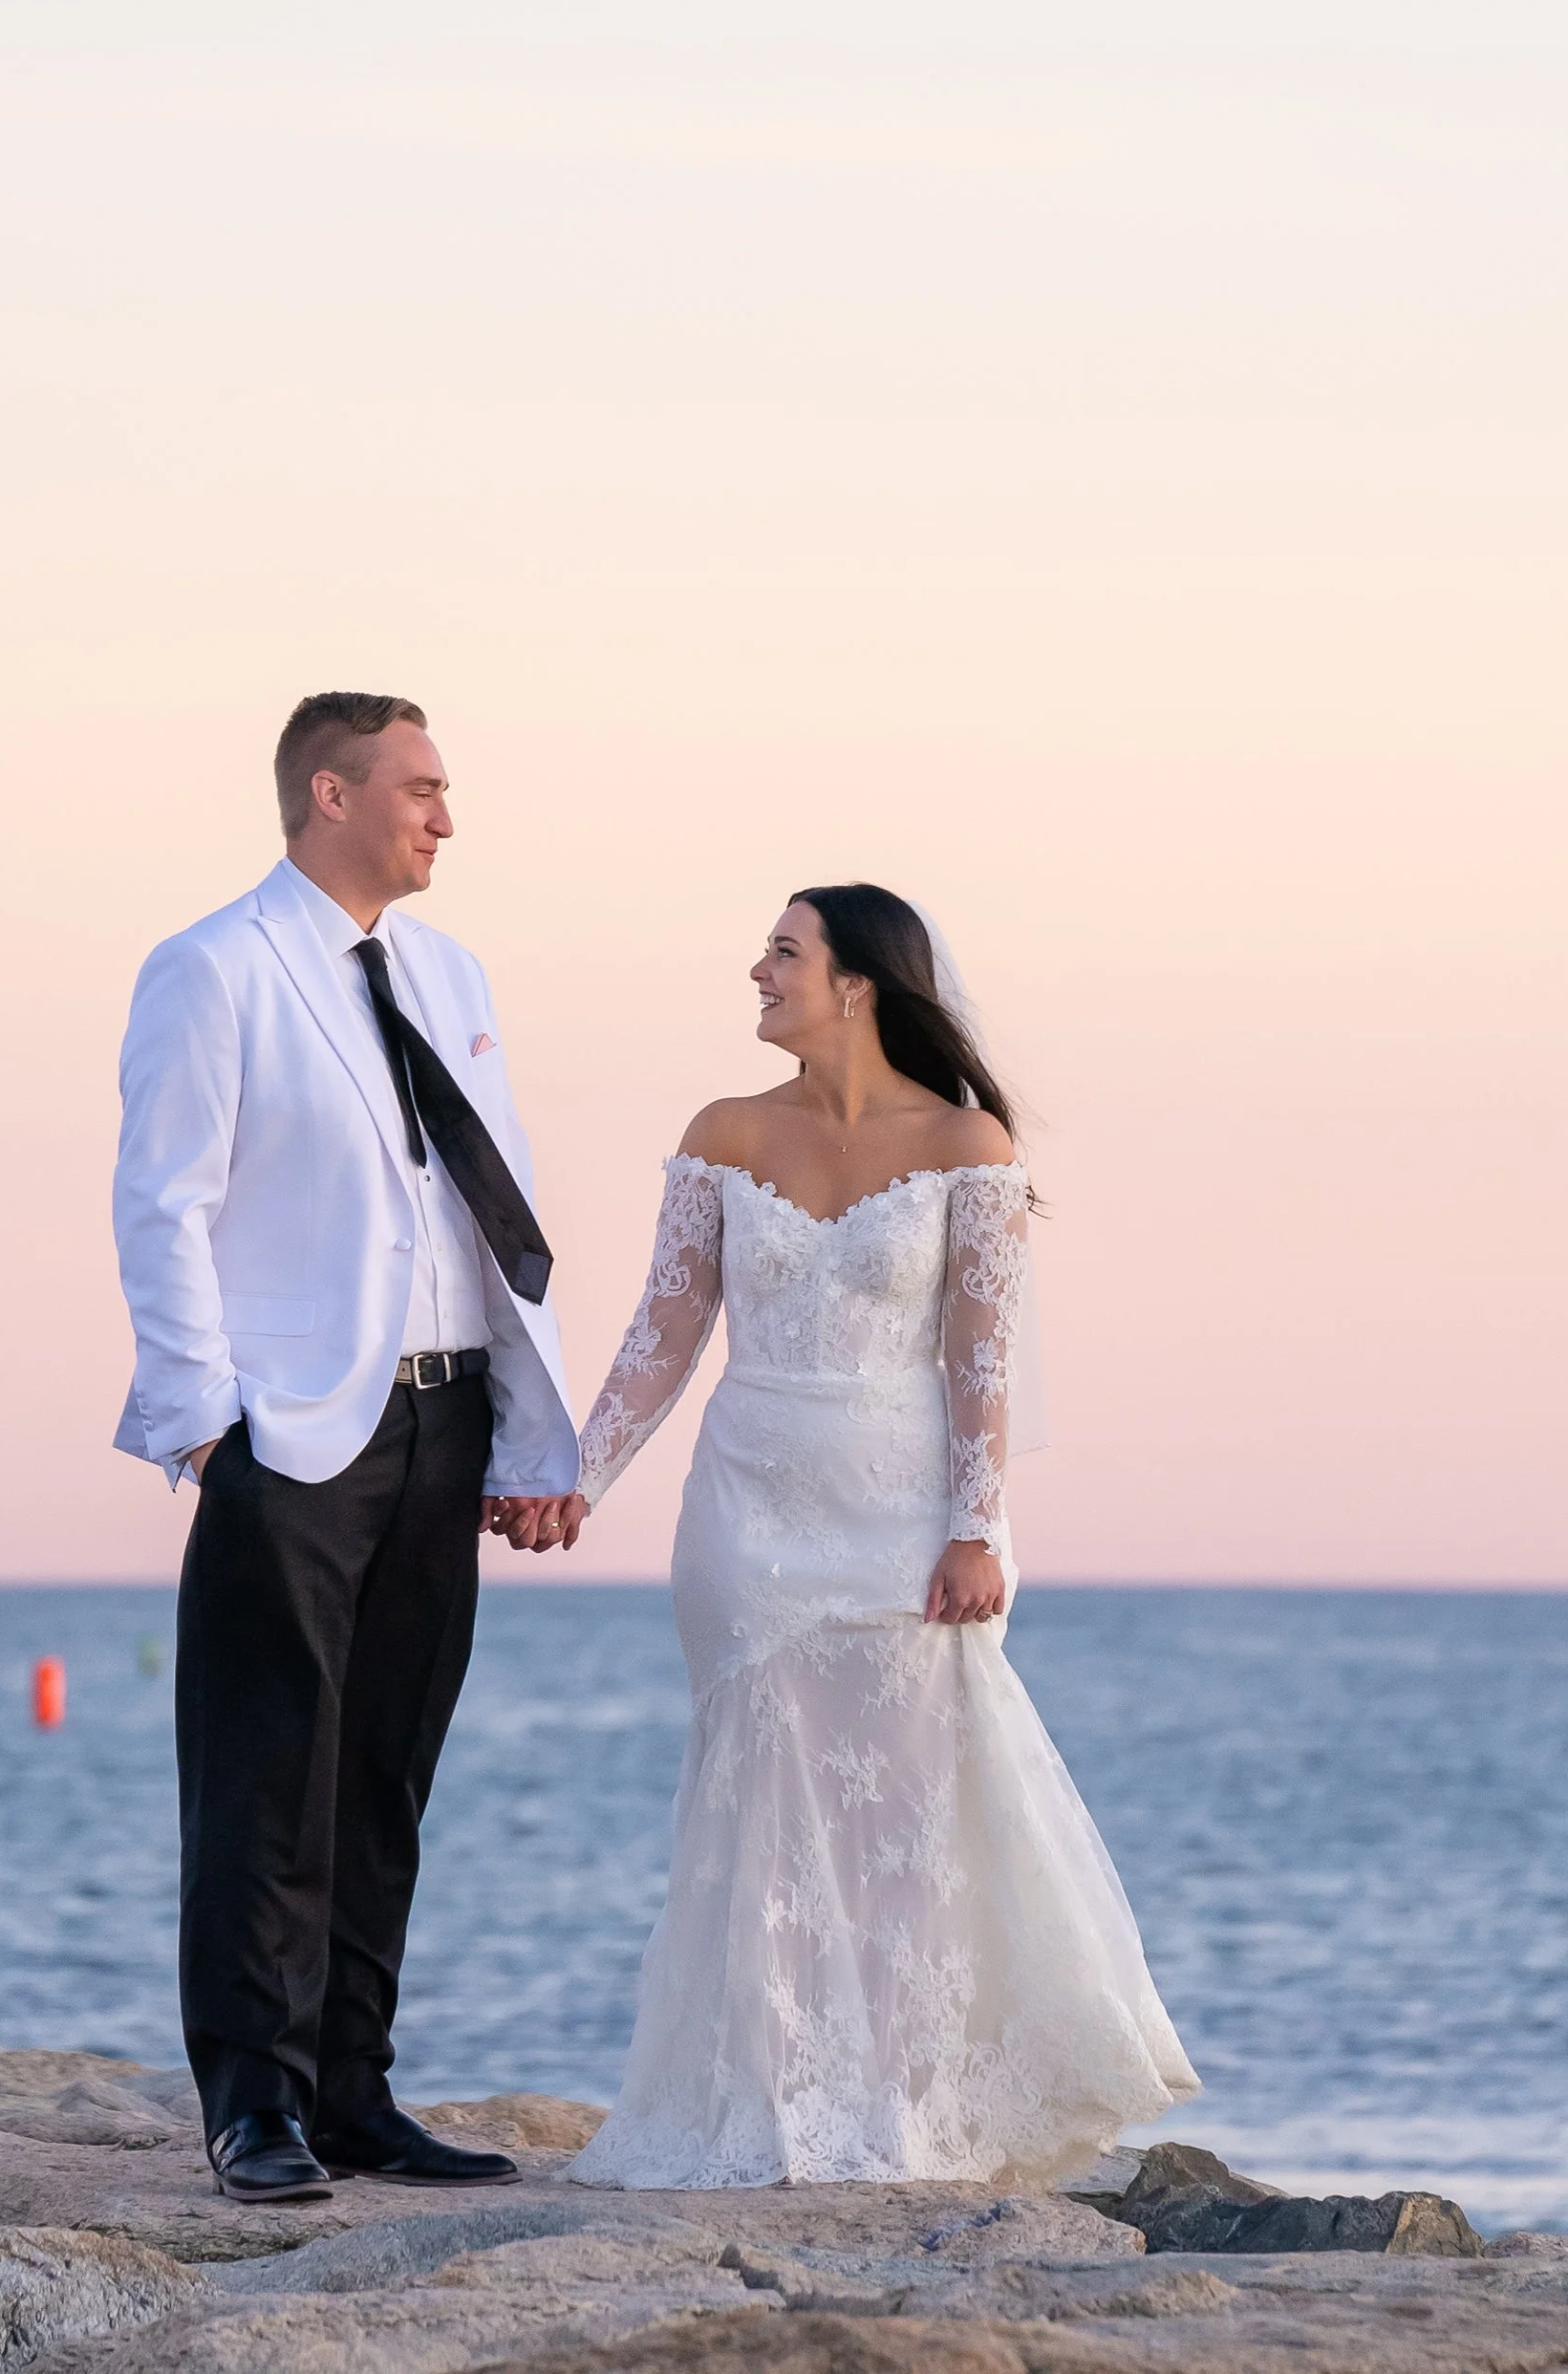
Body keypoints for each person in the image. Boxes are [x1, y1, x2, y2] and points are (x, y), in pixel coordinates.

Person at [499, 882, 1196, 2187]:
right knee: (760, 1796)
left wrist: (976, 1525)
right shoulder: (721, 1133)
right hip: (746, 1513)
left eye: (783, 951)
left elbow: (980, 1354)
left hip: (899, 1516)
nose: (756, 969)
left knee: (910, 1819)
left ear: (858, 983)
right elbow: (666, 1329)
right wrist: (575, 1474)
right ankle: (774, 2102)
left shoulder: (969, 1145)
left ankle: (905, 2105)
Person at [110, 693, 578, 2206]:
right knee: (264, 1771)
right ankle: (254, 2105)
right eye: (423, 786)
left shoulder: (451, 973)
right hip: (296, 1426)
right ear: (331, 791)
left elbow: (476, 1208)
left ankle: (356, 2089)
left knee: (384, 1767)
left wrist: (520, 1424)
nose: (447, 816)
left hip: (445, 1418)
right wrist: (204, 1424)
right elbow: (162, 1201)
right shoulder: (213, 969)